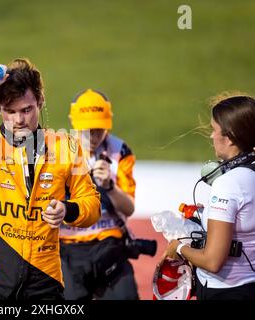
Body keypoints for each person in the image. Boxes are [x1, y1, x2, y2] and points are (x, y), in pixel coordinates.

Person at [0, 59, 101, 300]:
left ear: (40, 102)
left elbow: (92, 206)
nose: (18, 120)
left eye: (26, 110)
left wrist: (68, 209)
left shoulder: (65, 147)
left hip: (44, 279)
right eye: (9, 111)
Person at [160, 93, 255, 300]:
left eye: (214, 130)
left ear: (229, 138)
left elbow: (213, 261)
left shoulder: (228, 184)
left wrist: (179, 247)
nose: (211, 136)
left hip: (225, 291)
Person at [59, 89, 139, 300]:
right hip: (68, 248)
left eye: (99, 129)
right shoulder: (57, 151)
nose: (93, 136)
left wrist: (110, 186)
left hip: (109, 245)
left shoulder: (121, 151)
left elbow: (129, 208)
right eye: (87, 130)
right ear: (73, 123)